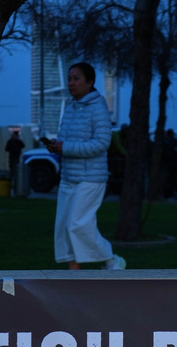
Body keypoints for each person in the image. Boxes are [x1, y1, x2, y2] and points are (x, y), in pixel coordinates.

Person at [45, 62, 125, 271]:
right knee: (64, 225)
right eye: (70, 78)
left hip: (91, 178)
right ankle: (74, 269)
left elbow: (101, 143)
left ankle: (112, 259)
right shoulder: (71, 107)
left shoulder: (98, 107)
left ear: (90, 82)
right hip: (69, 176)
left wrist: (67, 147)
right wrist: (56, 146)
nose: (71, 83)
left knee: (78, 224)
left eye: (76, 78)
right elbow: (65, 139)